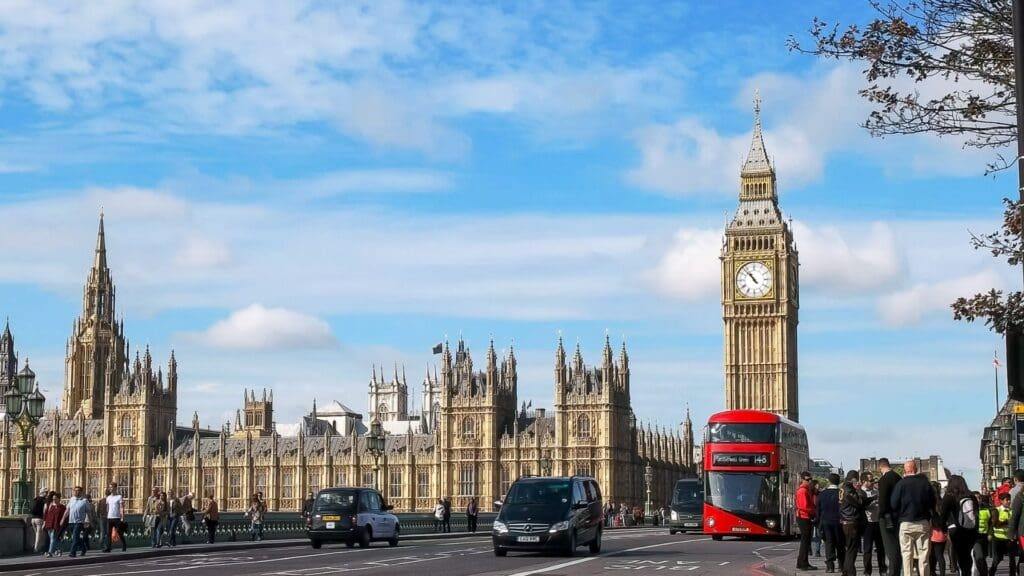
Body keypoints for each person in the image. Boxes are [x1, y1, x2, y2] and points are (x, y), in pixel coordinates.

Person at [890, 459, 934, 576]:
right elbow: (932, 502)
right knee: (924, 555)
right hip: (922, 522)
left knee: (906, 554)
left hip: (906, 523)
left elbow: (893, 504)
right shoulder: (925, 483)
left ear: (905, 470)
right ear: (916, 469)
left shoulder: (900, 484)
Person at [938, 474, 979, 576]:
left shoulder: (949, 496)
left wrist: (943, 529)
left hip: (957, 530)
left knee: (961, 555)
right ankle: (967, 572)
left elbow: (943, 515)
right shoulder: (971, 496)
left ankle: (963, 572)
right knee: (968, 554)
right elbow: (976, 513)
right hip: (971, 530)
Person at [877, 458, 903, 576]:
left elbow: (882, 501)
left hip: (887, 516)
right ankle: (897, 569)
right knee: (897, 545)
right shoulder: (898, 478)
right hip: (898, 515)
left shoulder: (883, 480)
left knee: (890, 546)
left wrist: (881, 514)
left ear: (880, 467)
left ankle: (893, 572)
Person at [840, 470, 868, 576]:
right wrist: (859, 490)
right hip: (851, 521)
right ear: (854, 480)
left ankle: (846, 570)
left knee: (849, 548)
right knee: (852, 549)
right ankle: (850, 572)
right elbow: (859, 502)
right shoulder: (849, 489)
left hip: (846, 520)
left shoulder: (842, 488)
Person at [861, 472, 886, 576]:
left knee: (881, 547)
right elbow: (861, 506)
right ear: (864, 481)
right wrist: (871, 502)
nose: (873, 482)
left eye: (873, 480)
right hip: (868, 523)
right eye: (870, 481)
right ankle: (867, 570)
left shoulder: (877, 491)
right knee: (867, 548)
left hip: (878, 521)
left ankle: (882, 569)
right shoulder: (861, 492)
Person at [818, 473, 844, 574]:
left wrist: (819, 521)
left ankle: (830, 566)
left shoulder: (822, 494)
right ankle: (841, 565)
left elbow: (818, 509)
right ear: (839, 481)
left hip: (826, 521)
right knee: (840, 543)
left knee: (829, 542)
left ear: (829, 481)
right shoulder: (841, 493)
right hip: (839, 521)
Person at [795, 471, 818, 571]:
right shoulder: (802, 491)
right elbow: (804, 506)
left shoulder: (806, 490)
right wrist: (814, 511)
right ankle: (803, 563)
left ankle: (801, 562)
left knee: (805, 542)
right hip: (803, 517)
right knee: (805, 542)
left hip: (805, 517)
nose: (809, 481)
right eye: (807, 480)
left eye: (810, 479)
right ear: (802, 479)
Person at [61, 486, 89, 558]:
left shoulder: (85, 501)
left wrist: (89, 521)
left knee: (75, 537)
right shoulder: (72, 499)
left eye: (78, 491)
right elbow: (67, 510)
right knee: (76, 537)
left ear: (81, 492)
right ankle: (83, 548)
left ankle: (72, 552)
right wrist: (63, 519)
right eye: (75, 491)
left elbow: (88, 512)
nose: (76, 492)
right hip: (71, 521)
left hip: (79, 522)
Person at [990, 492, 1012, 575]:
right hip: (998, 538)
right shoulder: (996, 510)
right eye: (1007, 500)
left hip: (1010, 539)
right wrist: (1006, 522)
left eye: (1009, 500)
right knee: (998, 558)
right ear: (1001, 501)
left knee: (1012, 559)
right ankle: (992, 571)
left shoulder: (1011, 510)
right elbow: (995, 524)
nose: (1009, 501)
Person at [928, 481, 947, 576]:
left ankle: (932, 571)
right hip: (942, 531)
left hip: (932, 531)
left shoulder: (929, 502)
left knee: (931, 555)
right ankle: (942, 573)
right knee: (940, 555)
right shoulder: (942, 502)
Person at [972, 492, 992, 574]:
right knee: (979, 557)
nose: (978, 500)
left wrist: (990, 533)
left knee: (983, 557)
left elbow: (991, 523)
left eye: (979, 498)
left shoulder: (987, 509)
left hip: (984, 537)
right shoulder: (969, 510)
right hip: (975, 537)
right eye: (975, 498)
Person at [103, 483, 126, 553]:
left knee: (119, 532)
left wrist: (122, 517)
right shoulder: (108, 498)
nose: (110, 489)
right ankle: (108, 548)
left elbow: (121, 507)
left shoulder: (119, 497)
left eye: (112, 487)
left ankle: (124, 544)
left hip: (117, 517)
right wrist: (107, 515)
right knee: (108, 533)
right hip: (110, 517)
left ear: (115, 488)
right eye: (109, 487)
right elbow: (107, 508)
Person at [44, 492, 66, 558]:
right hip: (49, 524)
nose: (54, 500)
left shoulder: (62, 507)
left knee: (53, 539)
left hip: (56, 525)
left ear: (59, 499)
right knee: (53, 539)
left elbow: (63, 517)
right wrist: (44, 523)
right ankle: (59, 550)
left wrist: (62, 525)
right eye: (53, 499)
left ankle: (50, 552)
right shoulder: (50, 505)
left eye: (55, 499)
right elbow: (46, 514)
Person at [31, 489, 48, 553]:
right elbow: (45, 510)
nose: (47, 494)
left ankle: (35, 546)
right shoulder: (44, 500)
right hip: (39, 519)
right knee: (38, 534)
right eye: (46, 492)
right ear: (44, 493)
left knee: (36, 534)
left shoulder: (35, 499)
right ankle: (36, 548)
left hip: (32, 519)